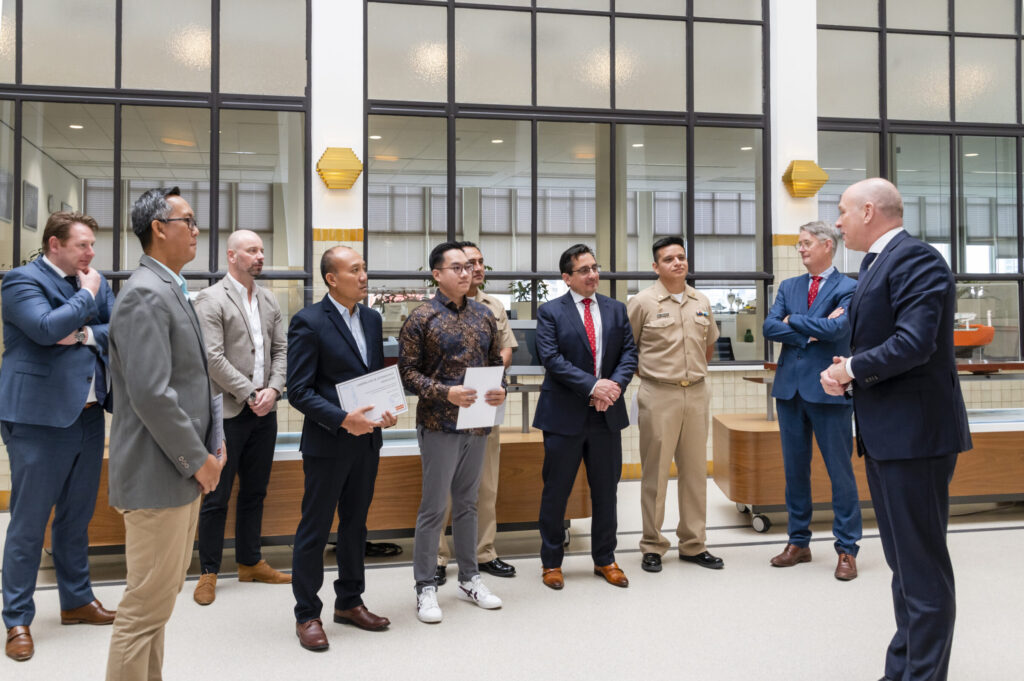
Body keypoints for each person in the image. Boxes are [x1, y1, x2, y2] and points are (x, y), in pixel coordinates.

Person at [821, 178, 971, 681]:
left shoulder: (917, 259)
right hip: (888, 436)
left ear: (868, 211)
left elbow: (915, 343)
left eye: (841, 212)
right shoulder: (875, 264)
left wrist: (851, 370)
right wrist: (851, 369)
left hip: (916, 437)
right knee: (903, 567)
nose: (837, 222)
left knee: (922, 569)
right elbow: (888, 343)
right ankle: (903, 670)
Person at [105, 187, 226, 681]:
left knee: (157, 606)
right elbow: (153, 395)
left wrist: (210, 443)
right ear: (159, 228)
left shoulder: (170, 286)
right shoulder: (145, 295)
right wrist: (198, 459)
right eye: (188, 220)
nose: (197, 230)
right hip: (161, 474)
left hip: (176, 472)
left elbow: (190, 380)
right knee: (143, 612)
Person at [0, 212, 116, 662]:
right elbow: (46, 329)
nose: (91, 254)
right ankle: (17, 619)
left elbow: (116, 329)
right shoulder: (20, 282)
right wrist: (86, 298)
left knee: (76, 517)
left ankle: (76, 601)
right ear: (54, 245)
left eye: (91, 245)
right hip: (37, 420)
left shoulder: (93, 281)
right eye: (82, 245)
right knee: (30, 524)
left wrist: (84, 330)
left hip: (87, 416)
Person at [287, 246, 397, 651]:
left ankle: (349, 601)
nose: (364, 276)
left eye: (365, 268)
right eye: (355, 270)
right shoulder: (309, 322)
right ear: (332, 279)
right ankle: (307, 614)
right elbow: (297, 391)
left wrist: (385, 411)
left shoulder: (371, 317)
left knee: (356, 526)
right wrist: (341, 419)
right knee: (314, 529)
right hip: (327, 443)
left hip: (367, 441)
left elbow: (371, 378)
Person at [399, 242, 507, 623]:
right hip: (438, 424)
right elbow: (407, 373)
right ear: (437, 274)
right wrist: (446, 392)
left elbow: (495, 363)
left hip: (478, 422)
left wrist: (500, 388)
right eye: (456, 267)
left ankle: (470, 577)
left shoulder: (484, 315)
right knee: (434, 507)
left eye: (469, 267)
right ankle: (425, 586)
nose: (466, 273)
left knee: (468, 504)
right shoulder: (421, 318)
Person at [192, 230, 289, 606]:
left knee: (255, 491)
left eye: (262, 250)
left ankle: (250, 562)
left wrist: (275, 390)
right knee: (216, 494)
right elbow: (212, 358)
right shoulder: (211, 299)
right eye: (252, 250)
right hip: (230, 412)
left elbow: (281, 350)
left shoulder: (268, 299)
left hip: (265, 411)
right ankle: (209, 571)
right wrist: (250, 393)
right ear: (232, 256)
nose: (260, 256)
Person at [534, 244, 637, 590]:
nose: (593, 274)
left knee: (606, 491)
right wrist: (595, 387)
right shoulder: (550, 312)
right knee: (556, 491)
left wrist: (614, 388)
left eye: (595, 267)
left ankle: (605, 559)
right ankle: (551, 562)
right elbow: (551, 359)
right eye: (584, 270)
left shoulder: (616, 309)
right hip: (563, 416)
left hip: (606, 416)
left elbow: (628, 354)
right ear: (567, 278)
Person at [762, 221, 861, 580]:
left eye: (806, 244)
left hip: (829, 390)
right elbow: (770, 327)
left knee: (840, 472)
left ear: (826, 245)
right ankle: (798, 542)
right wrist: (809, 331)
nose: (801, 250)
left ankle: (847, 548)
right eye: (798, 245)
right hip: (789, 391)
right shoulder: (789, 286)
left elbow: (840, 330)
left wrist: (795, 321)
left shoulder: (850, 287)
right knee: (794, 471)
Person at [627, 236, 723, 574]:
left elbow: (708, 348)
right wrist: (657, 377)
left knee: (696, 473)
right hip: (658, 394)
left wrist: (690, 374)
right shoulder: (642, 302)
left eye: (681, 257)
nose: (677, 263)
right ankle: (652, 545)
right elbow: (630, 351)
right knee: (655, 474)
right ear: (656, 266)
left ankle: (694, 544)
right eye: (669, 259)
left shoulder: (702, 301)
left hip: (696, 393)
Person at [435, 241, 519, 585]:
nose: (477, 268)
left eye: (481, 262)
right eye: (470, 263)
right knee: (441, 488)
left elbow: (505, 348)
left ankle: (484, 553)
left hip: (485, 403)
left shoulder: (493, 306)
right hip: (446, 408)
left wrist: (491, 377)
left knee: (485, 484)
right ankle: (438, 557)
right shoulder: (433, 310)